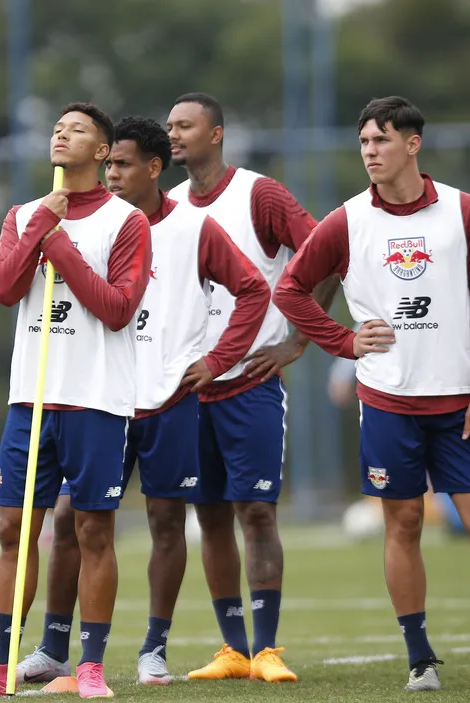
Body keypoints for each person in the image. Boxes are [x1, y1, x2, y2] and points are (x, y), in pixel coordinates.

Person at [271, 95, 470, 691]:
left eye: (382, 141)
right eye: (365, 142)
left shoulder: (463, 211)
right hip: (388, 403)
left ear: (412, 144)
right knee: (403, 526)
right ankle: (421, 660)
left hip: (461, 405)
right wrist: (343, 342)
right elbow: (290, 291)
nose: (370, 151)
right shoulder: (345, 221)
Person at [14, 116, 270, 687]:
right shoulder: (98, 223)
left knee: (166, 522)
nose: (112, 174)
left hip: (166, 398)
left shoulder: (195, 228)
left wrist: (217, 359)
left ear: (155, 168)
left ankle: (153, 648)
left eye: (123, 164)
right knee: (67, 518)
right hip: (100, 397)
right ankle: (54, 647)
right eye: (109, 164)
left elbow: (254, 289)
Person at [0, 103, 151, 700]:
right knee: (12, 530)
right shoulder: (23, 214)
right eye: (57, 127)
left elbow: (115, 308)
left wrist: (59, 246)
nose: (61, 133)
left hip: (97, 400)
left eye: (77, 129)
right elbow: (5, 288)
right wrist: (39, 231)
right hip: (30, 400)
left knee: (93, 533)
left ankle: (90, 667)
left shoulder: (126, 221)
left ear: (104, 151)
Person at [164, 92, 337, 683]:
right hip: (189, 387)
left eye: (185, 125)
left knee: (256, 511)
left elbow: (328, 256)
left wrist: (298, 340)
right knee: (208, 516)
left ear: (216, 134)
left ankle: (267, 649)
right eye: (169, 127)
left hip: (250, 383)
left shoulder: (259, 194)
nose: (174, 135)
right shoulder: (168, 206)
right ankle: (233, 649)